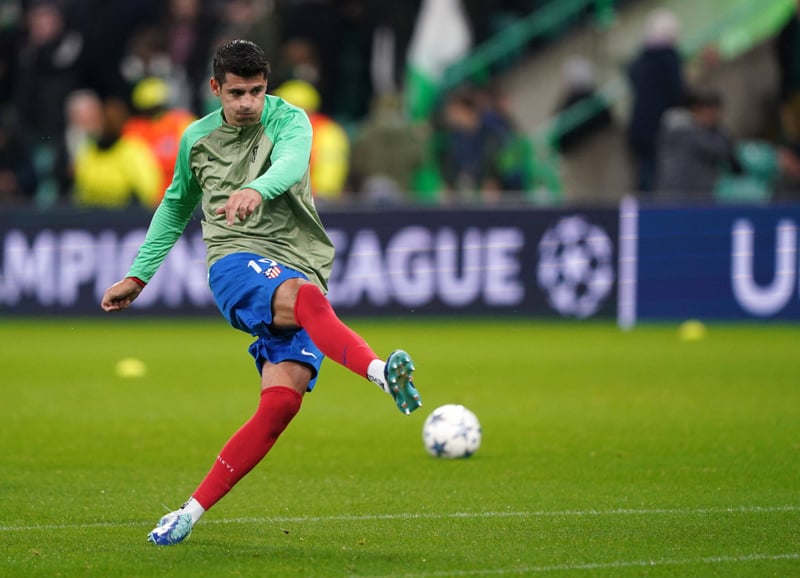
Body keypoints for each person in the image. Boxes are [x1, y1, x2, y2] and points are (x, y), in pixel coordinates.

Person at [99, 39, 421, 546]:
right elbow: (176, 206)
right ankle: (381, 373)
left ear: (266, 85)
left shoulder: (291, 120)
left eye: (256, 91)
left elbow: (291, 163)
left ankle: (187, 514)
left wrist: (258, 188)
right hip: (235, 262)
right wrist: (138, 276)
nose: (248, 102)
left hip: (300, 261)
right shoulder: (196, 139)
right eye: (236, 93)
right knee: (307, 300)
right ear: (215, 88)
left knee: (279, 408)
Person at [626, 8, 685, 195]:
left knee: (645, 172)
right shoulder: (670, 58)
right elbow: (676, 92)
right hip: (660, 126)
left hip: (639, 124)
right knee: (659, 174)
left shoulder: (642, 58)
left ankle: (644, 203)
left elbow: (631, 74)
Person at [654, 89, 741, 202]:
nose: (715, 117)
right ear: (696, 110)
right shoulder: (683, 130)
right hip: (678, 196)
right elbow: (720, 149)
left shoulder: (705, 132)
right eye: (709, 111)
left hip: (694, 196)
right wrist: (718, 131)